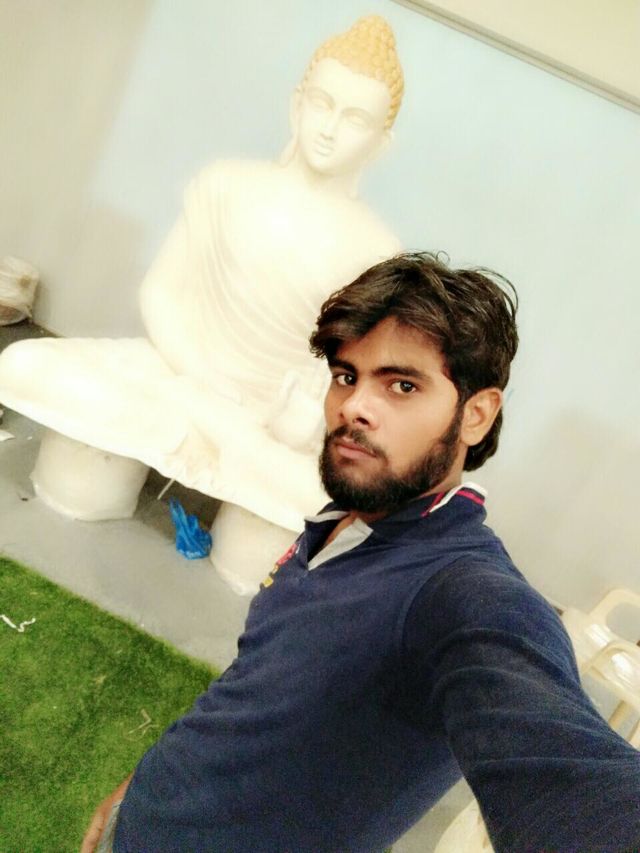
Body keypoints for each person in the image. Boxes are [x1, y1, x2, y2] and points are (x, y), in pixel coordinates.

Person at [82, 253, 640, 852]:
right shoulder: (338, 523)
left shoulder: (462, 594)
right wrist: (142, 786)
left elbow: (572, 785)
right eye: (347, 376)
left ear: (476, 415)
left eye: (402, 385)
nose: (353, 407)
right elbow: (251, 686)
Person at [0, 17, 402, 580]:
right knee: (26, 363)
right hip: (175, 375)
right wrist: (200, 381)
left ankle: (223, 453)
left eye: (355, 118)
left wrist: (299, 417)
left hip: (266, 424)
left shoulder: (378, 252)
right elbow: (161, 291)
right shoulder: (226, 184)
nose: (329, 129)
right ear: (296, 104)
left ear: (381, 143)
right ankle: (198, 440)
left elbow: (345, 372)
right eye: (321, 103)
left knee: (323, 496)